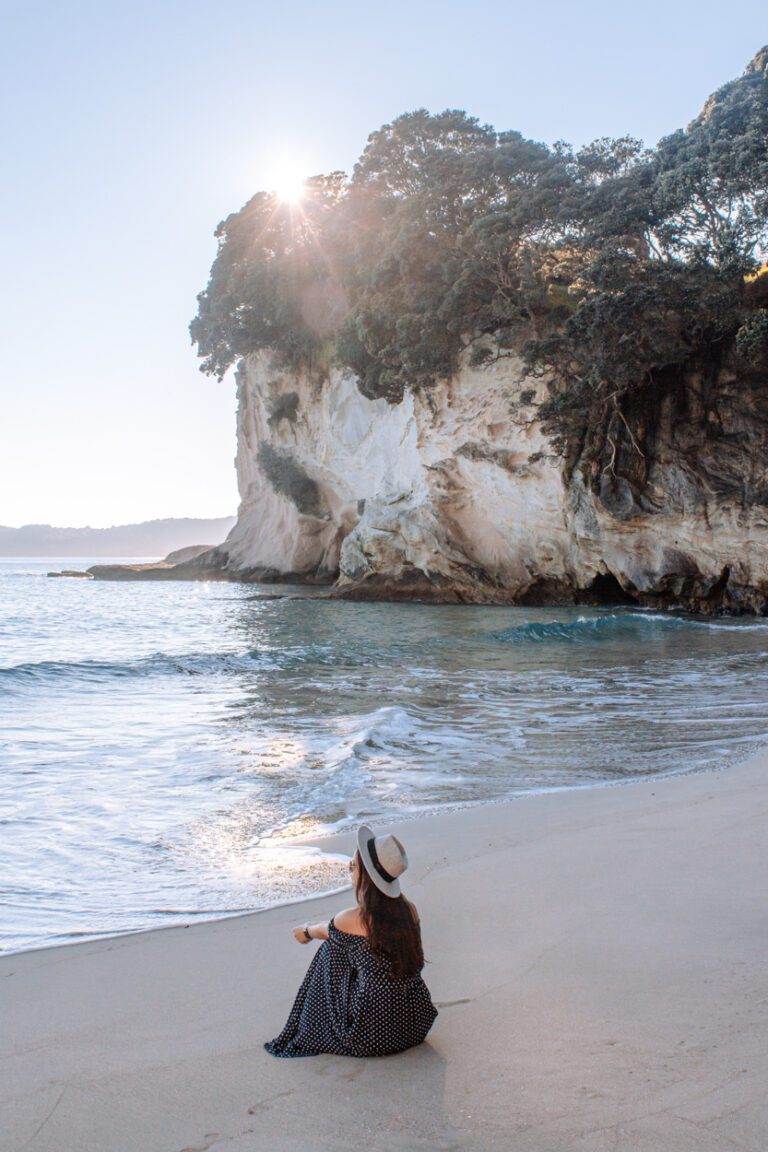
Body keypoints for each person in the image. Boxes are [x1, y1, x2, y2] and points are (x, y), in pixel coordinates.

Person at [264, 825, 438, 1058]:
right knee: (355, 948)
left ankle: (311, 1028)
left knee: (331, 947)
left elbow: (324, 930)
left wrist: (305, 931)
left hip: (370, 1037)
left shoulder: (352, 919)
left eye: (353, 866)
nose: (350, 869)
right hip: (413, 1027)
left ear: (365, 875)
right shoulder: (410, 911)